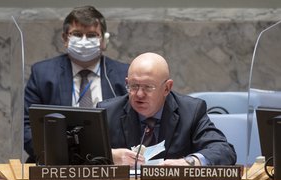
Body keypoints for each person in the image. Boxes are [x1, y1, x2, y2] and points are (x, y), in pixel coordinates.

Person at [24, 6, 129, 162]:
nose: (84, 41)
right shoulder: (43, 74)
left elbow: (134, 124)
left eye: (92, 35)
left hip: (110, 165)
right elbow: (27, 127)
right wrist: (63, 156)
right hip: (55, 164)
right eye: (77, 34)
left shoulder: (124, 75)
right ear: (65, 39)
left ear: (104, 41)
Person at [97, 52, 237, 167]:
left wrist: (189, 163)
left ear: (167, 88)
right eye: (133, 86)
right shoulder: (108, 112)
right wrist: (111, 155)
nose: (139, 94)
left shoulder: (191, 111)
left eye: (148, 87)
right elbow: (79, 154)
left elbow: (224, 150)